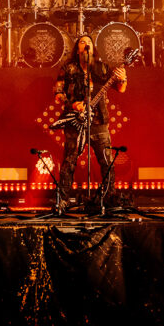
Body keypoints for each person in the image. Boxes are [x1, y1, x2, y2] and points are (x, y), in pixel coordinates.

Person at [53, 34, 127, 210]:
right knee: (69, 161)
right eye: (82, 42)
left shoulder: (102, 68)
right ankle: (62, 201)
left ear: (94, 49)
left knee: (107, 162)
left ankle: (109, 199)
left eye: (89, 43)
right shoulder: (68, 68)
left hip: (99, 122)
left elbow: (121, 88)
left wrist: (123, 77)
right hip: (75, 122)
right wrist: (73, 104)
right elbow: (57, 94)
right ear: (77, 49)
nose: (86, 45)